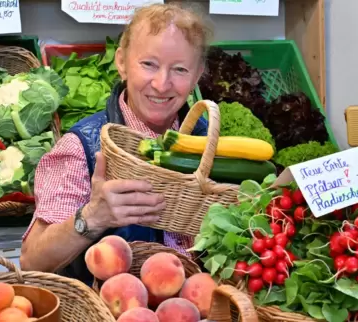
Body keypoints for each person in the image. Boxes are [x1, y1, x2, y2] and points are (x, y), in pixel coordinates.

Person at [20, 3, 214, 285]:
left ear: (197, 76)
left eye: (180, 69)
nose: (162, 84)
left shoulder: (207, 141)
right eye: (149, 64)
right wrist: (92, 218)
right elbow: (31, 260)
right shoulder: (81, 148)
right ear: (121, 62)